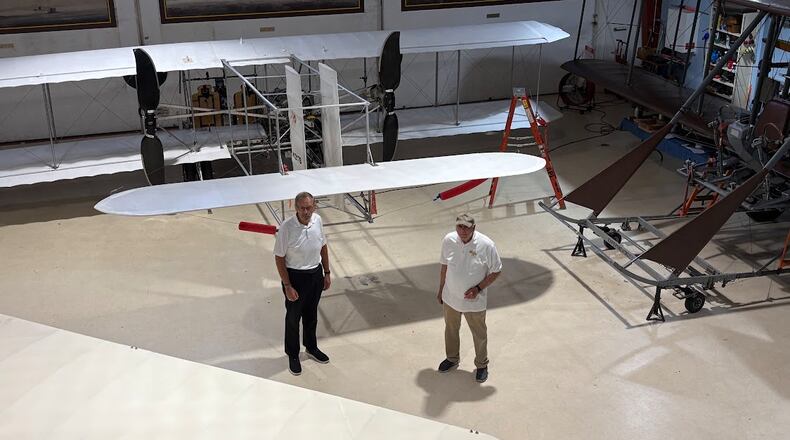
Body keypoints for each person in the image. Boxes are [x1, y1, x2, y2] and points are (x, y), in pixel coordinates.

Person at [437, 213, 502, 383]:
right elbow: (444, 266)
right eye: (460, 226)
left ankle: (481, 365)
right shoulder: (449, 240)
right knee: (451, 329)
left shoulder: (486, 245)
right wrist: (441, 289)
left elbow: (496, 270)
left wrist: (478, 288)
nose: (463, 231)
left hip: (474, 301)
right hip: (451, 297)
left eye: (467, 227)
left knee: (479, 333)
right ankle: (452, 358)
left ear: (474, 228)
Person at [274, 191, 331, 376]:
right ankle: (293, 354)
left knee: (311, 314)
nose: (306, 212)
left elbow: (323, 246)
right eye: (302, 208)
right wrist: (287, 285)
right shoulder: (287, 227)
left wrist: (327, 272)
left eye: (309, 208)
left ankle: (311, 347)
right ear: (296, 208)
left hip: (315, 274)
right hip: (295, 277)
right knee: (293, 318)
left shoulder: (318, 220)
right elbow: (279, 258)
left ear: (314, 206)